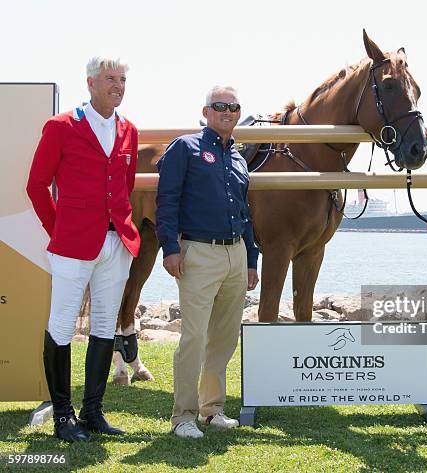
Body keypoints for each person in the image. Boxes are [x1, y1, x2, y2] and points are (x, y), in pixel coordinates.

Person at [26, 57, 140, 441]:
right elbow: (36, 185)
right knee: (60, 326)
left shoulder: (129, 130)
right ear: (90, 83)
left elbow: (124, 185)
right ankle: (62, 416)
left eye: (123, 79)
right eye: (110, 78)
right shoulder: (61, 127)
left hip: (116, 243)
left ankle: (93, 413)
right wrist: (58, 230)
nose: (118, 85)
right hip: (72, 244)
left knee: (105, 327)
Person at [156, 85, 260, 439]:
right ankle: (182, 417)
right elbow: (166, 200)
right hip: (197, 253)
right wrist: (169, 248)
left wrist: (251, 259)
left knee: (225, 337)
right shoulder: (185, 148)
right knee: (194, 338)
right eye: (220, 106)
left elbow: (245, 212)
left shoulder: (239, 158)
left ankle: (212, 409)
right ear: (206, 111)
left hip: (236, 254)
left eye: (233, 106)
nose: (227, 111)